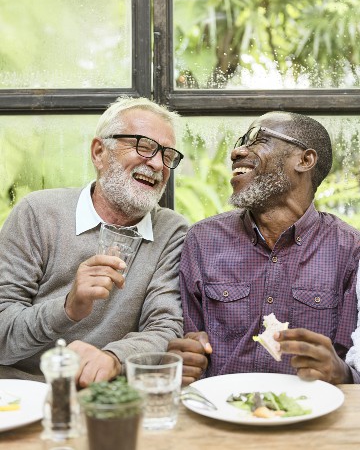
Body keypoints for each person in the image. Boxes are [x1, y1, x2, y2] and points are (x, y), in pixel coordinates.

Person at [0, 96, 188, 387]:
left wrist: (114, 357)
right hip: (24, 394)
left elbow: (166, 328)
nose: (156, 163)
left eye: (167, 155)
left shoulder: (172, 231)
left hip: (112, 398)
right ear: (99, 152)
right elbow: (2, 336)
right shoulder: (37, 213)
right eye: (143, 146)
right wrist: (67, 308)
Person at [168, 111, 360, 385]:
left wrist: (341, 372)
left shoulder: (350, 251)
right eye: (240, 141)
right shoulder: (203, 239)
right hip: (220, 414)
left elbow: (349, 368)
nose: (236, 152)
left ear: (305, 160)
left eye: (258, 140)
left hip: (312, 415)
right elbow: (186, 344)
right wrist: (184, 359)